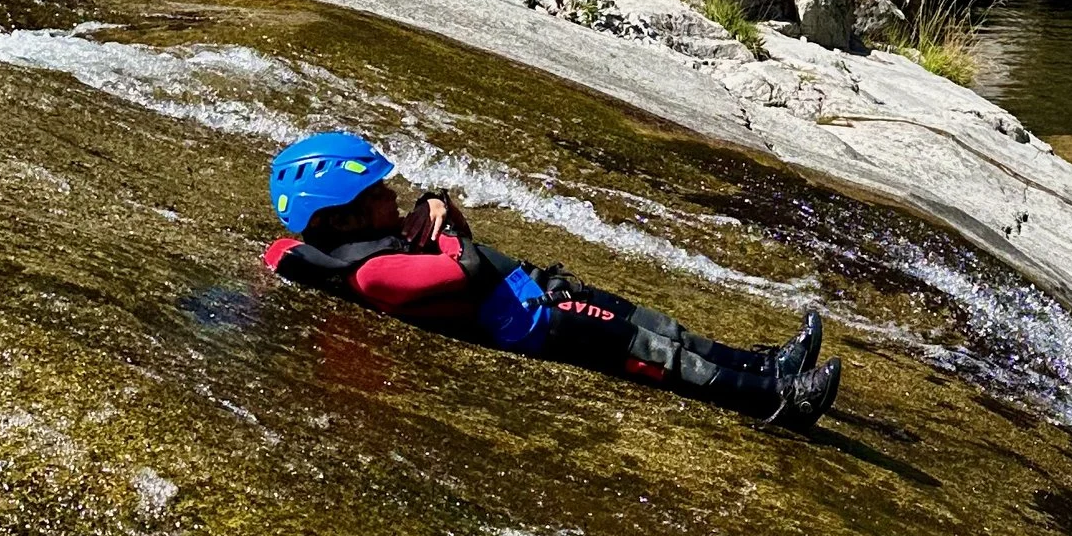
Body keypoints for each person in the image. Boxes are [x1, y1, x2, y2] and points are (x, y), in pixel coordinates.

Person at [262, 132, 841, 428]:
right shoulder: (373, 273)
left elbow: (454, 237)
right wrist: (439, 224)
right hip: (535, 323)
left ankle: (769, 364)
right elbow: (460, 267)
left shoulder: (359, 240)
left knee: (658, 325)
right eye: (379, 194)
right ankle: (779, 402)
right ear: (340, 215)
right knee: (654, 352)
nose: (393, 196)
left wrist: (439, 207)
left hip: (537, 291)